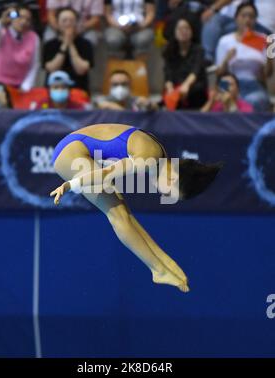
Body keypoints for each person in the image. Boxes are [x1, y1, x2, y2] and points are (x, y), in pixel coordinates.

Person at [50, 123, 223, 292]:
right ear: (173, 180)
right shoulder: (148, 160)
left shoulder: (160, 156)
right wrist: (70, 185)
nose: (164, 195)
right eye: (170, 193)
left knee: (124, 213)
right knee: (118, 215)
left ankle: (163, 262)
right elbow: (106, 174)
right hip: (70, 153)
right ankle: (158, 270)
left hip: (77, 146)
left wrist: (165, 259)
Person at [215, 2, 272, 111]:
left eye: (251, 16)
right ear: (236, 18)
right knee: (226, 100)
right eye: (244, 15)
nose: (247, 20)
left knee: (258, 100)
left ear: (255, 20)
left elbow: (268, 74)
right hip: (230, 84)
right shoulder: (225, 40)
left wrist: (270, 54)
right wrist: (227, 59)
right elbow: (218, 73)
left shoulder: (264, 39)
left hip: (254, 84)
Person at [0, 5, 40, 92]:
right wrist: (1, 22)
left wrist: (25, 86)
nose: (23, 22)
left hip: (20, 85)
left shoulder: (34, 38)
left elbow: (34, 65)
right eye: (20, 17)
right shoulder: (2, 31)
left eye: (28, 19)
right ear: (13, 18)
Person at [43, 7, 94, 92]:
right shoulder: (49, 45)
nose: (68, 24)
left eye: (71, 20)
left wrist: (70, 44)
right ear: (58, 23)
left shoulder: (86, 44)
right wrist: (64, 45)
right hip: (53, 90)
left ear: (76, 23)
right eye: (64, 20)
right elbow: (52, 69)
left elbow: (81, 70)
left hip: (79, 89)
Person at [163, 17, 208, 110]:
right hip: (177, 89)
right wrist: (170, 89)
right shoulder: (169, 51)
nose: (184, 31)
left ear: (192, 31)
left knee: (196, 92)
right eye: (180, 29)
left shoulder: (199, 50)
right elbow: (168, 74)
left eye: (186, 28)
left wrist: (186, 85)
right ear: (174, 32)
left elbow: (196, 71)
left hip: (194, 89)